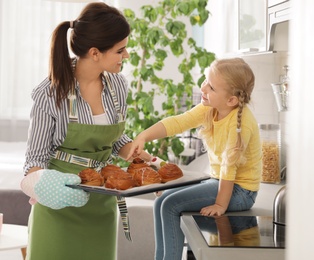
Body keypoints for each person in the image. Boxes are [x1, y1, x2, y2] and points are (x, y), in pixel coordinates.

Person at [20, 3, 155, 260]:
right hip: (58, 211)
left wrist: (143, 158)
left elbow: (115, 142)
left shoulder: (118, 86)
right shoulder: (50, 93)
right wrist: (45, 188)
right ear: (95, 53)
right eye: (120, 50)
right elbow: (33, 163)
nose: (126, 56)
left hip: (101, 207)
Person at [128, 57, 262, 260]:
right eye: (206, 80)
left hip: (240, 190)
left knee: (170, 204)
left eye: (212, 87)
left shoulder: (241, 124)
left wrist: (220, 205)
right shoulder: (211, 108)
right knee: (161, 201)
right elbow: (180, 122)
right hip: (218, 181)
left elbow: (228, 168)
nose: (204, 87)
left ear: (231, 100)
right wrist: (143, 136)